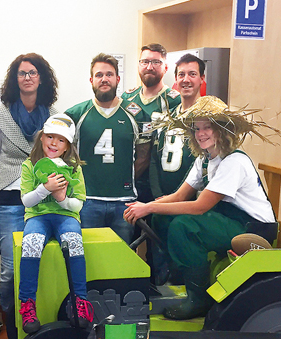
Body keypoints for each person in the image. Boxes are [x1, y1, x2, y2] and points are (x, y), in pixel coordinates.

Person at [124, 96, 281, 320]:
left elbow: (199, 207)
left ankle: (199, 299)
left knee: (185, 226)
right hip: (228, 218)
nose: (201, 134)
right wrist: (146, 207)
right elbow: (179, 196)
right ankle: (184, 274)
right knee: (162, 219)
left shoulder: (233, 161)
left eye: (207, 127)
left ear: (222, 129)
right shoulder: (205, 159)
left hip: (253, 227)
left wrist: (148, 208)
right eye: (197, 128)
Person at [0, 53, 58, 339]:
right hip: (9, 197)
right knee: (10, 266)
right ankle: (10, 321)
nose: (27, 78)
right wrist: (17, 180)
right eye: (21, 73)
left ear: (41, 78)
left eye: (32, 73)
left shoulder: (54, 115)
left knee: (39, 260)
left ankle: (36, 315)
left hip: (45, 197)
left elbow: (60, 155)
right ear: (14, 79)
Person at [17, 114, 92, 333]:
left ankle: (80, 302)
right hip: (37, 216)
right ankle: (27, 304)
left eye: (60, 140)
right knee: (30, 244)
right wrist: (45, 189)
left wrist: (62, 199)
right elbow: (26, 200)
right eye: (50, 137)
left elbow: (78, 205)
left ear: (68, 145)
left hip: (66, 217)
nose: (53, 143)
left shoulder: (74, 168)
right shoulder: (29, 165)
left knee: (73, 242)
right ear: (41, 138)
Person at [66, 53, 139, 244]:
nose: (104, 79)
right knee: (90, 259)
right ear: (91, 80)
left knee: (122, 261)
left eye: (109, 74)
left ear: (118, 79)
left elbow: (145, 154)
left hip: (124, 201)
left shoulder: (135, 113)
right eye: (99, 75)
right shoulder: (76, 114)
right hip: (87, 199)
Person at [148, 54, 206, 284]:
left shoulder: (210, 118)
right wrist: (157, 196)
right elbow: (154, 158)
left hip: (192, 201)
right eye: (181, 74)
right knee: (161, 260)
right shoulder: (167, 117)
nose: (186, 80)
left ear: (202, 78)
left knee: (185, 257)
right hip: (165, 198)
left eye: (192, 74)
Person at [122, 43, 182, 203]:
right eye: (145, 62)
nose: (150, 67)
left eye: (156, 62)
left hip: (160, 180)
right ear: (139, 65)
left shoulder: (175, 101)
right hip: (129, 175)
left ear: (166, 67)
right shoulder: (126, 98)